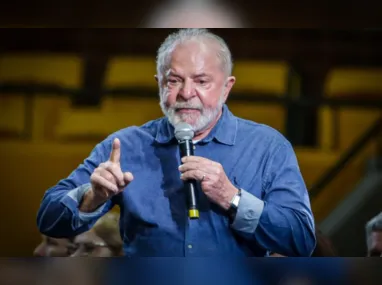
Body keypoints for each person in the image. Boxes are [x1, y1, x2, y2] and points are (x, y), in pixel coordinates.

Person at [37, 28, 316, 257]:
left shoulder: (268, 147)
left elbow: (301, 239)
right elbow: (48, 218)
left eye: (202, 81)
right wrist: (91, 197)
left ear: (227, 87)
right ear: (160, 84)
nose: (186, 93)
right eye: (174, 81)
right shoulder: (126, 146)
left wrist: (232, 197)